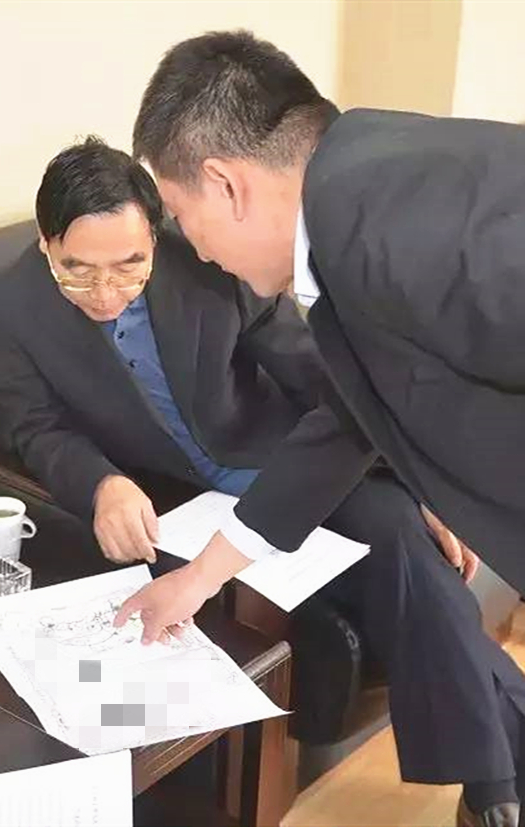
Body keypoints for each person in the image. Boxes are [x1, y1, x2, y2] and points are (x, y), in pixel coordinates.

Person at [117, 30, 525, 826]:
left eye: (182, 216)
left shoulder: (387, 230)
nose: (193, 247)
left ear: (225, 183)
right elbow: (344, 424)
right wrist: (199, 580)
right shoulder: (361, 192)